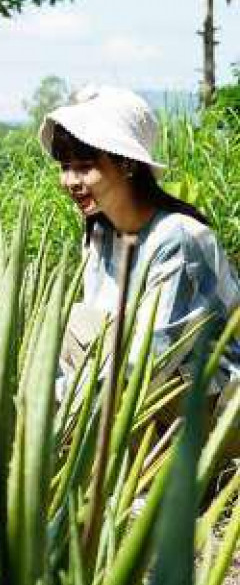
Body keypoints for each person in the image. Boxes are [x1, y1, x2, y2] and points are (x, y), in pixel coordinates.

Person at [39, 86, 240, 399]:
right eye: (65, 167)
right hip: (141, 384)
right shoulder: (100, 233)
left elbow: (151, 361)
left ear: (128, 164)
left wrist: (51, 398)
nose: (70, 182)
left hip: (205, 401)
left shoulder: (178, 240)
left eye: (85, 167)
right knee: (74, 320)